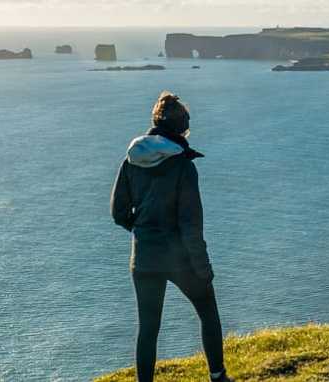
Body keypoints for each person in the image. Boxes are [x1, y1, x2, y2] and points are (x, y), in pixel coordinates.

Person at [111, 91, 232, 382]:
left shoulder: (131, 160)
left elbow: (118, 212)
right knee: (208, 313)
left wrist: (143, 231)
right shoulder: (183, 166)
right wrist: (203, 267)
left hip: (144, 258)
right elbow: (191, 225)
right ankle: (217, 376)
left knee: (148, 327)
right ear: (181, 127)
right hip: (180, 258)